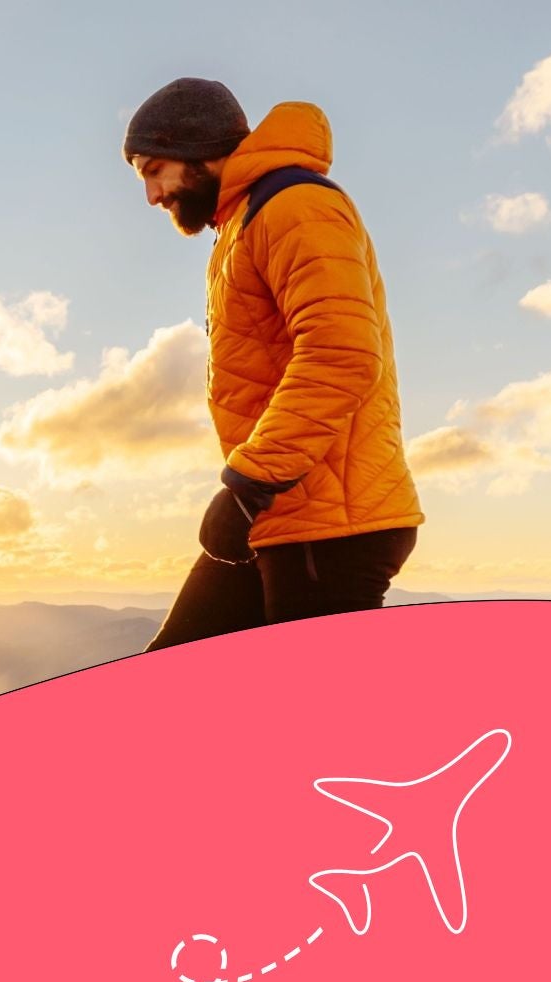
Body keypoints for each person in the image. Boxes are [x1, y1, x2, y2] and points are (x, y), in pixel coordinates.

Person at [123, 77, 424, 650]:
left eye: (154, 170)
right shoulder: (245, 221)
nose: (152, 196)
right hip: (284, 513)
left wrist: (248, 484)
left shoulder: (295, 206)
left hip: (327, 527)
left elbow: (341, 356)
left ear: (199, 152)